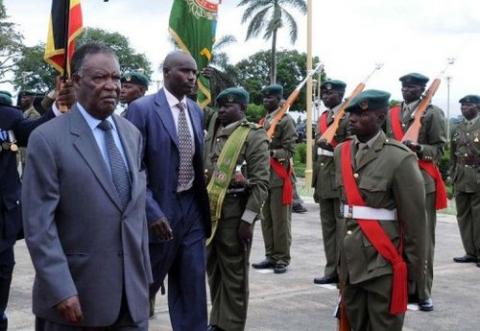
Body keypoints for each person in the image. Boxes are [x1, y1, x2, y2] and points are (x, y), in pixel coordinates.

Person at [22, 42, 151, 330]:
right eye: (99, 78)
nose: (111, 86)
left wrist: (144, 275)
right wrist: (60, 288)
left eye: (116, 78)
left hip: (131, 300)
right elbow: (39, 225)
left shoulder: (131, 134)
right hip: (74, 301)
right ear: (77, 82)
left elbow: (133, 212)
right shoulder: (47, 139)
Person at [126, 50, 211, 331]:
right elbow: (133, 167)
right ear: (166, 73)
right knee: (143, 285)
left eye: (194, 72)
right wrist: (151, 211)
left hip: (191, 209)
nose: (191, 77)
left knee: (193, 287)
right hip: (158, 209)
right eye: (185, 71)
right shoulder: (142, 109)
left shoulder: (196, 112)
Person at [335, 89, 426, 331]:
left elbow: (415, 225)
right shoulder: (341, 153)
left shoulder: (399, 158)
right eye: (351, 114)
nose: (352, 119)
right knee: (354, 324)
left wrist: (416, 278)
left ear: (380, 117)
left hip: (383, 262)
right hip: (350, 262)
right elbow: (344, 213)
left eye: (361, 114)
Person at [204, 88, 269, 331]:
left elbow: (262, 183)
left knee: (234, 274)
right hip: (210, 213)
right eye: (220, 106)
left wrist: (248, 220)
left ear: (242, 109)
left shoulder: (252, 135)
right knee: (215, 270)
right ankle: (217, 320)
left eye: (228, 106)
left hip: (235, 213)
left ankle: (231, 325)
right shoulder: (214, 130)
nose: (221, 110)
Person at [385, 72, 446, 311]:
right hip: (395, 181)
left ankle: (422, 290)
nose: (407, 91)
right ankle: (400, 286)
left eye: (412, 87)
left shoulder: (433, 113)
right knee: (396, 235)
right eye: (404, 87)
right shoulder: (393, 113)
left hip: (422, 181)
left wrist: (419, 147)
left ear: (422, 89)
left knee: (422, 240)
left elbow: (439, 149)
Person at [252, 84, 297, 274]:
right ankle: (270, 255)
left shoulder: (285, 121)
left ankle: (282, 258)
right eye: (264, 98)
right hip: (265, 177)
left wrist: (269, 151)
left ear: (280, 99)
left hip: (279, 176)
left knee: (280, 221)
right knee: (266, 220)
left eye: (270, 98)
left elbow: (289, 151)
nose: (266, 101)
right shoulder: (264, 121)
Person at [312, 79, 348, 285]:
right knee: (328, 229)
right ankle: (331, 269)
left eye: (330, 94)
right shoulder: (324, 117)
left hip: (340, 178)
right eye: (324, 94)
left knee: (342, 228)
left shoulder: (347, 115)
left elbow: (352, 146)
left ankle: (343, 270)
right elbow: (317, 153)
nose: (326, 97)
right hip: (325, 179)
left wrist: (333, 146)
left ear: (341, 94)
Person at [450, 95, 480, 267]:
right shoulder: (457, 126)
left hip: (477, 176)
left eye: (468, 105)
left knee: (478, 216)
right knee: (463, 216)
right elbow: (453, 153)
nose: (464, 108)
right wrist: (452, 174)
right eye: (462, 106)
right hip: (460, 177)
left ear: (478, 107)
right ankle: (470, 252)